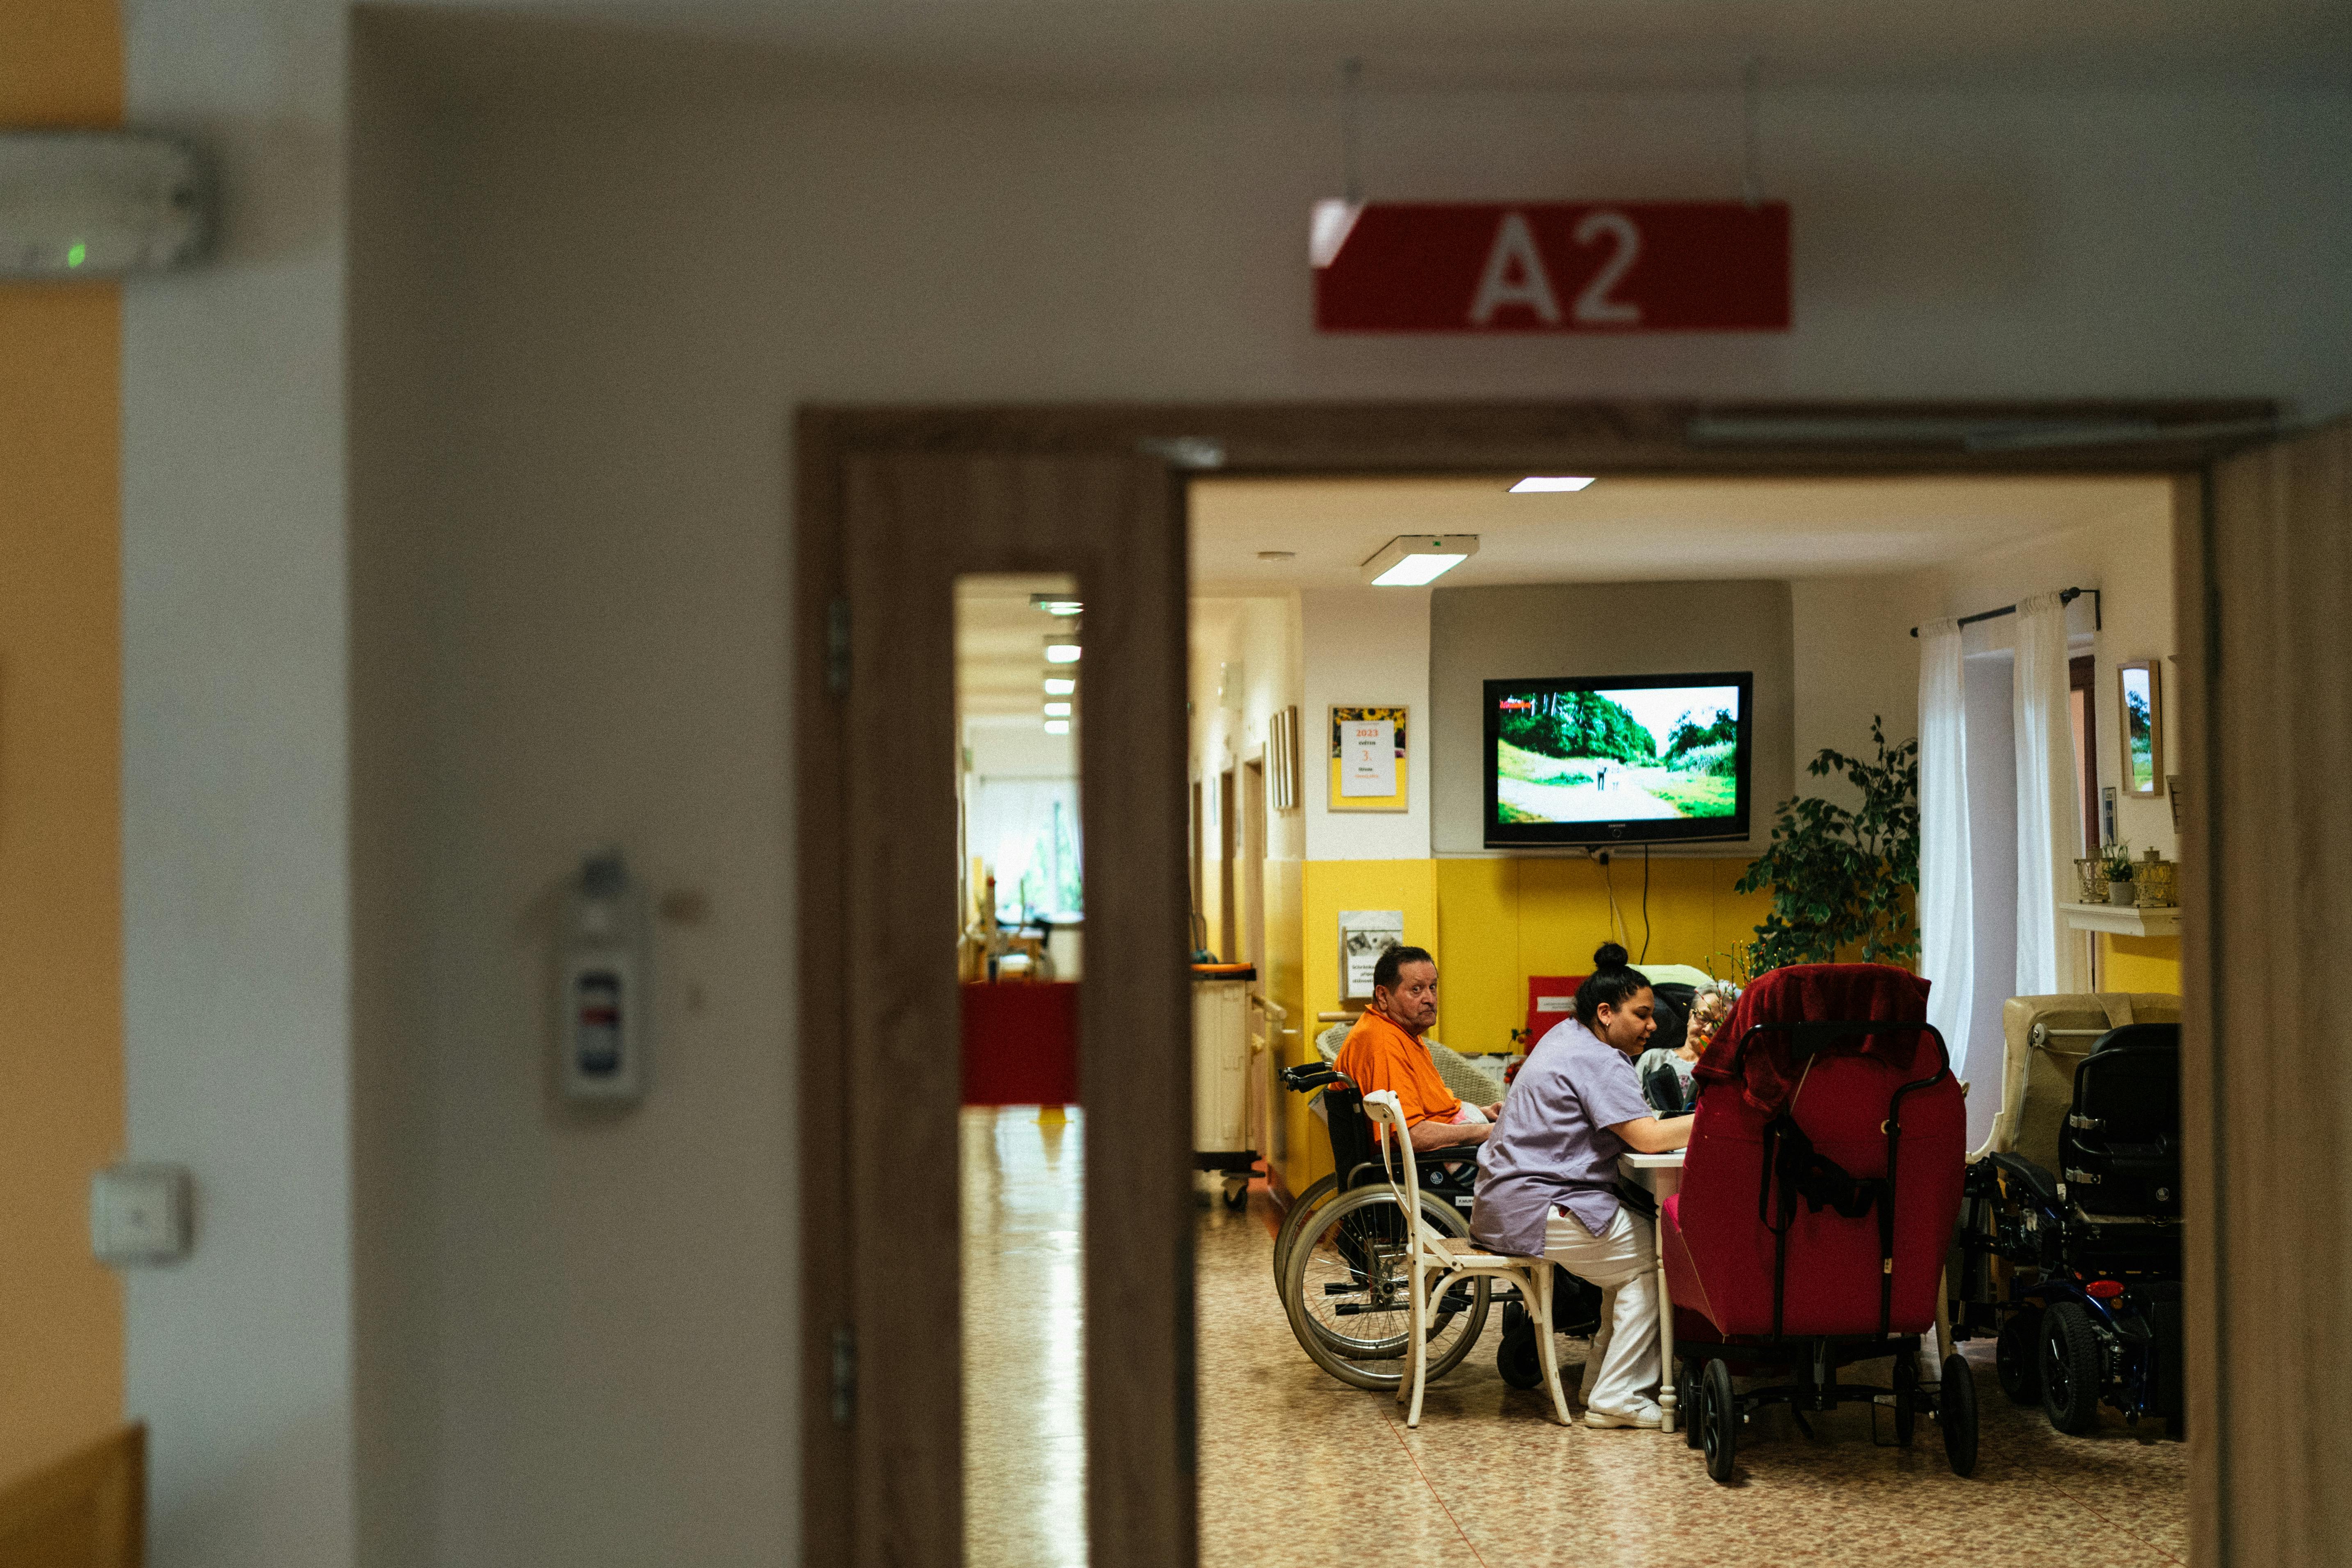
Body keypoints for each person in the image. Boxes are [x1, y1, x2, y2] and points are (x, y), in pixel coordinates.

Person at [1470, 942, 1692, 1428]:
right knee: (1660, 1260)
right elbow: (1647, 1138)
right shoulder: (1598, 1059)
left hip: (1506, 1199)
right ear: (1606, 1012)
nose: (1653, 1026)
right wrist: (1710, 1120)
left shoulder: (1565, 1035)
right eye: (1642, 1015)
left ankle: (1603, 1384)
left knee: (1632, 1260)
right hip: (1535, 1207)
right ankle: (1618, 1394)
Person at [1333, 946, 1501, 1152]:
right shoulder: (1384, 1043)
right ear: (1383, 997)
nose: (1430, 999)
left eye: (1432, 987)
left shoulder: (1403, 1032)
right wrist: (1491, 1131)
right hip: (1428, 1164)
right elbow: (1412, 1135)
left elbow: (1431, 1110)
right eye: (1416, 990)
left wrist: (1485, 1113)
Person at [1636, 979, 1738, 1113]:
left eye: (1720, 1025)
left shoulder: (1727, 1072)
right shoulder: (1654, 1059)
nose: (1709, 1030)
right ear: (1690, 1016)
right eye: (1703, 1017)